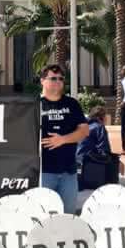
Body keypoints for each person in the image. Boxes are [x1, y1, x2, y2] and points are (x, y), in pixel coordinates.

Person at [39, 64, 89, 213]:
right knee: (43, 216)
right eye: (53, 78)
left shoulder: (72, 104)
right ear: (42, 80)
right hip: (43, 173)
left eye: (61, 78)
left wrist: (63, 139)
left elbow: (84, 131)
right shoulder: (35, 104)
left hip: (69, 172)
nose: (58, 81)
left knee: (68, 217)